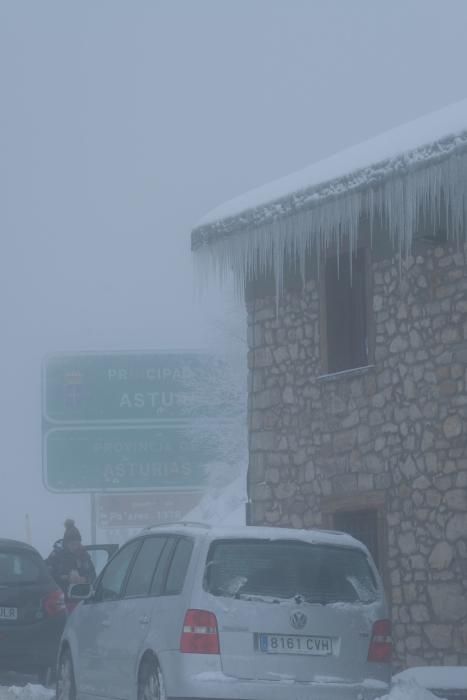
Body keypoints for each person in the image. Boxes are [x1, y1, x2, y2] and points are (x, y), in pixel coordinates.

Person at [46, 519, 96, 600]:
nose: (75, 547)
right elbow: (47, 576)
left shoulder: (84, 555)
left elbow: (93, 575)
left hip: (82, 597)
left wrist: (84, 579)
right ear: (66, 543)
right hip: (60, 599)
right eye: (72, 544)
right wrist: (65, 578)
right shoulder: (56, 555)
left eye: (77, 544)